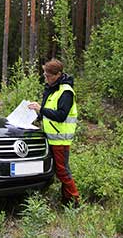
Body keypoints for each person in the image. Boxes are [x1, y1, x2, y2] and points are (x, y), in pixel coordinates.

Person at [28, 58, 79, 206]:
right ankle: (66, 201)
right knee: (56, 170)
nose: (46, 78)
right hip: (49, 138)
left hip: (60, 139)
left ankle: (75, 201)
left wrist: (41, 109)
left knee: (63, 171)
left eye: (48, 75)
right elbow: (46, 113)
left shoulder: (66, 92)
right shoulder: (51, 90)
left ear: (57, 75)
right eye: (44, 75)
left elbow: (61, 116)